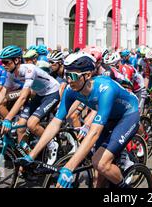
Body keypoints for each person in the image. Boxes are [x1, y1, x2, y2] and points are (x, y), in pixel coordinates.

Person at [17, 52, 140, 188]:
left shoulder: (106, 89)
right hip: (109, 116)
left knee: (101, 163)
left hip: (128, 115)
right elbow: (55, 123)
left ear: (87, 75)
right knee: (97, 176)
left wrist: (69, 168)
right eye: (66, 75)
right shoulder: (71, 90)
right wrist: (31, 155)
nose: (69, 80)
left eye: (73, 76)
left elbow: (94, 132)